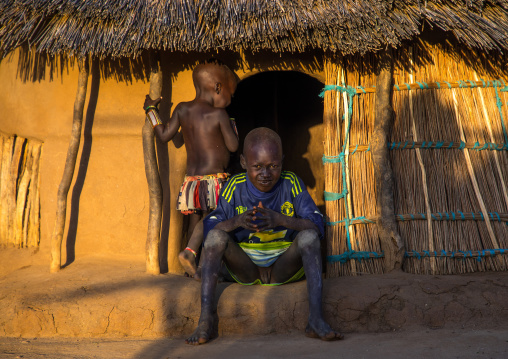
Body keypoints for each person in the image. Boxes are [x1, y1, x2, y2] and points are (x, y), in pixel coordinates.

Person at [186, 127, 343, 345]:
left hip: (283, 268)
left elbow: (317, 225)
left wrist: (281, 220)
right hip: (246, 269)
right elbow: (211, 226)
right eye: (257, 167)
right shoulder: (235, 186)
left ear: (282, 162)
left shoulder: (291, 183)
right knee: (215, 238)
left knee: (309, 237)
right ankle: (205, 320)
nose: (265, 174)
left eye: (273, 166)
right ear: (243, 162)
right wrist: (238, 221)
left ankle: (315, 319)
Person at [143, 59, 239, 277]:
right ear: (217, 87)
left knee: (194, 221)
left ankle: (191, 269)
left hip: (191, 182)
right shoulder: (219, 115)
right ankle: (203, 265)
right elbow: (233, 146)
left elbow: (166, 136)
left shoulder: (182, 109)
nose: (230, 100)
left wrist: (151, 110)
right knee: (213, 221)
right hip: (214, 181)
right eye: (230, 94)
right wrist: (232, 124)